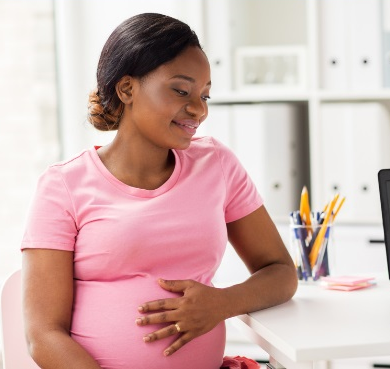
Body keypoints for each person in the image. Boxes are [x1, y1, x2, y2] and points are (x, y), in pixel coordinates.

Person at [21, 13, 298, 369]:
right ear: (127, 89)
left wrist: (222, 303)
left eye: (205, 95)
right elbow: (43, 335)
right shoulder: (63, 186)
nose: (198, 109)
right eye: (181, 91)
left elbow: (281, 272)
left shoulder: (215, 163)